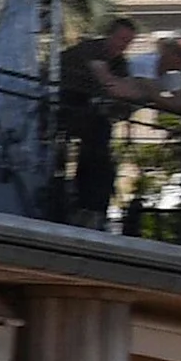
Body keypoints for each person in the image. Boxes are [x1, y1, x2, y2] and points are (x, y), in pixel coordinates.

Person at [56, 16, 163, 227]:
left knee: (101, 151)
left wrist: (133, 95)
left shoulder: (120, 63)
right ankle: (83, 205)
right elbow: (111, 85)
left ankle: (92, 208)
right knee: (96, 141)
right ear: (109, 35)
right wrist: (143, 92)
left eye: (127, 42)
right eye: (120, 39)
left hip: (88, 114)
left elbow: (124, 94)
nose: (122, 46)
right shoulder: (93, 50)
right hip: (61, 102)